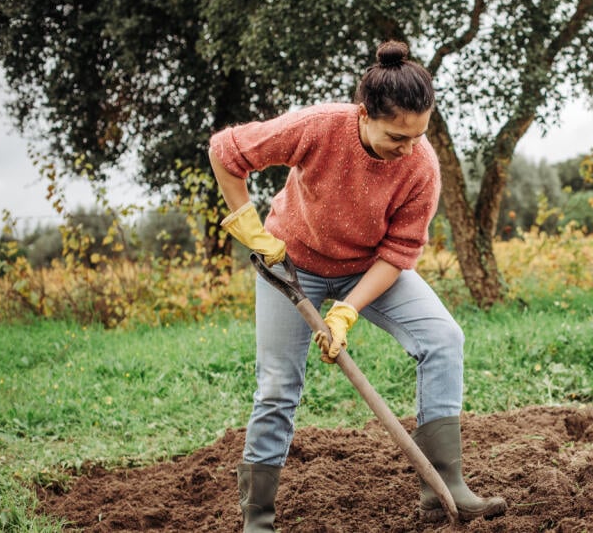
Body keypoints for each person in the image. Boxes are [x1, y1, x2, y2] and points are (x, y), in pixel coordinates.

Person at [208, 40, 507, 532]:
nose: (409, 149)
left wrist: (346, 310)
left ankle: (443, 487)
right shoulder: (321, 126)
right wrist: (249, 227)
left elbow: (398, 253)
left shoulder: (421, 165)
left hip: (368, 268)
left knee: (444, 338)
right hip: (289, 265)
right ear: (364, 114)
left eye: (419, 136)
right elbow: (227, 151)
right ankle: (257, 520)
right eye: (397, 136)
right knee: (279, 386)